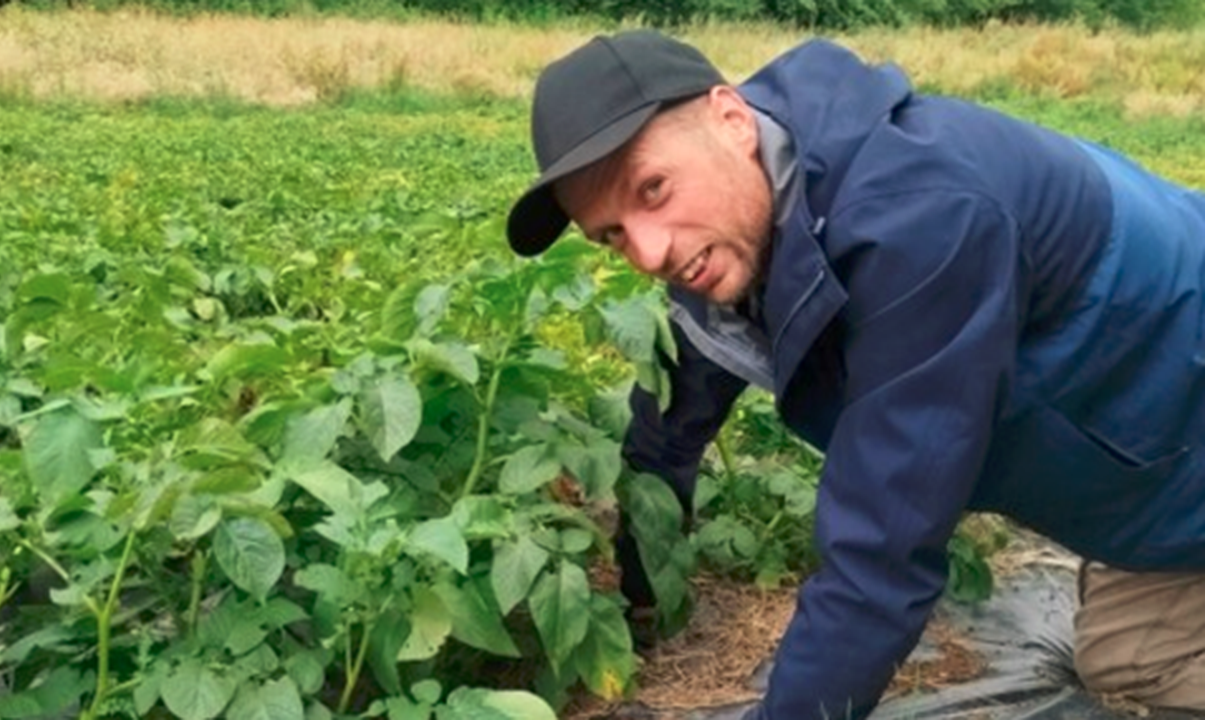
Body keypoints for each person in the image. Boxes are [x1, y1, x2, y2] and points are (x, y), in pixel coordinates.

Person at [504, 29, 1205, 720]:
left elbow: (882, 554)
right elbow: (671, 430)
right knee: (1126, 656)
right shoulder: (735, 219)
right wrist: (637, 588)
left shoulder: (922, 219)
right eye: (612, 235)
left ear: (730, 119)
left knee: (1156, 657)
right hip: (1152, 444)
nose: (649, 251)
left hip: (1183, 419)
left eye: (652, 190)